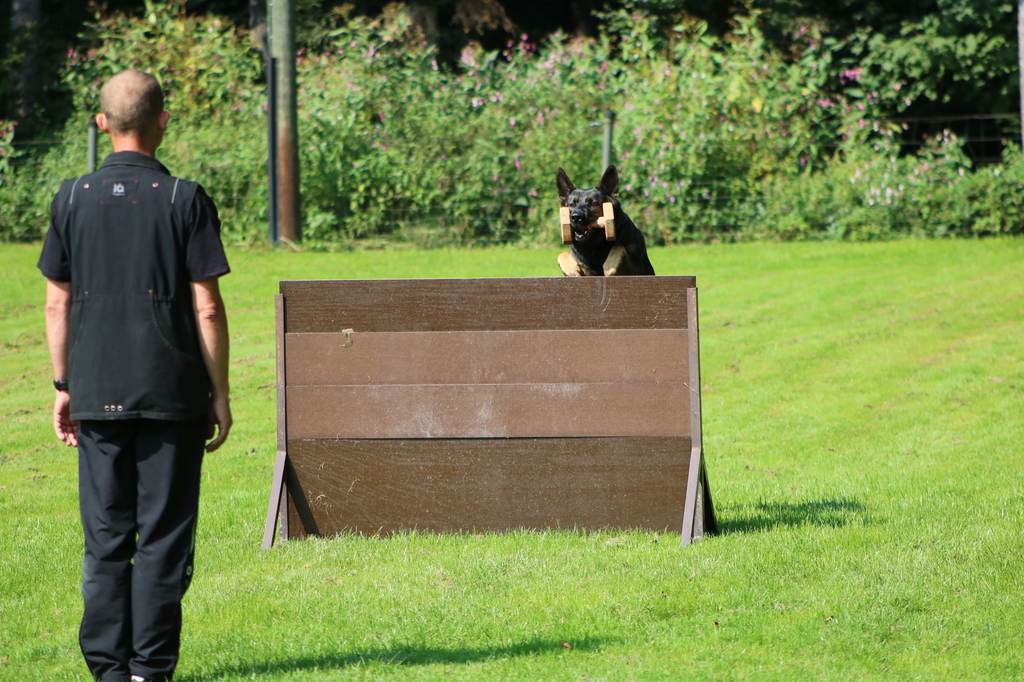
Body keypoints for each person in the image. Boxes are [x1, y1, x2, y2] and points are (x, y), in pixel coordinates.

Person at [38, 69, 232, 682]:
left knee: (106, 537)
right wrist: (221, 393)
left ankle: (108, 670)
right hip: (172, 393)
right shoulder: (185, 199)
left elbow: (56, 304)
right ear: (163, 120)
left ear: (101, 124)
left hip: (95, 391)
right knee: (164, 538)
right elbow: (207, 306)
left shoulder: (70, 198)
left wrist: (65, 385)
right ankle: (150, 668)